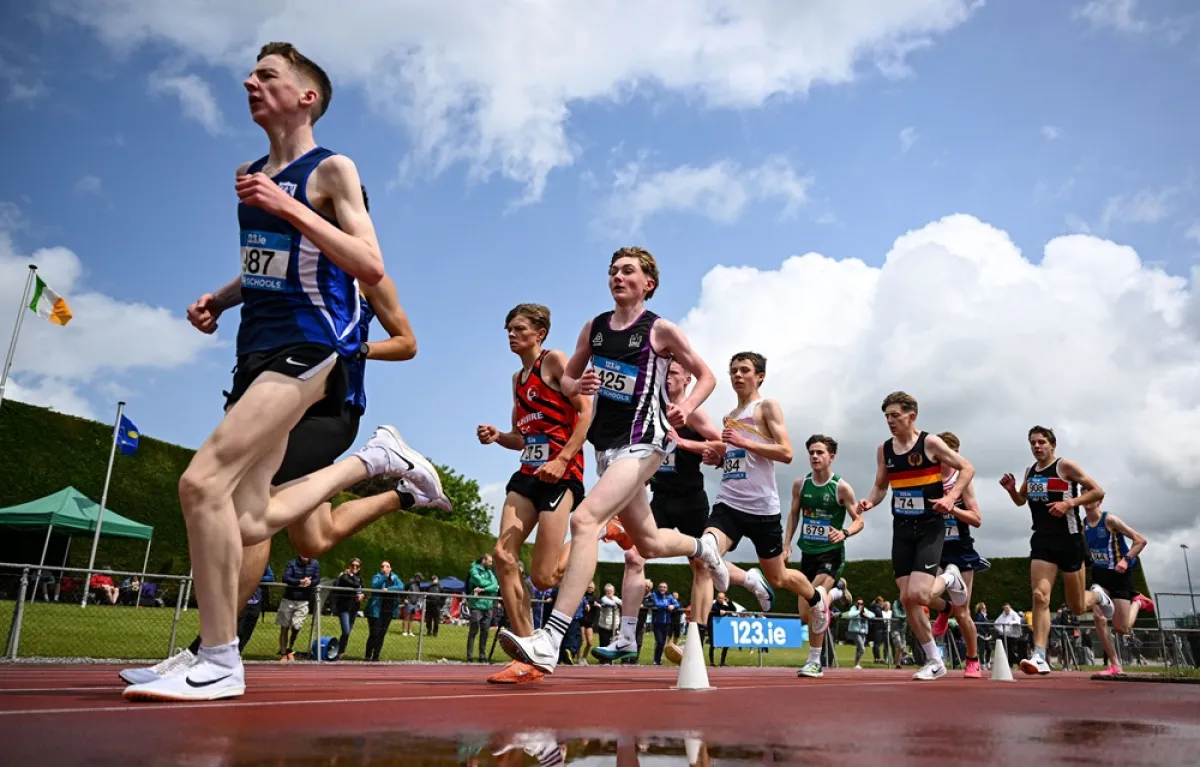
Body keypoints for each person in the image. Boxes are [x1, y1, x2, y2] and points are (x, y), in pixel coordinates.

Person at [122, 42, 445, 702]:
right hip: (255, 350)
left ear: (306, 97)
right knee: (246, 520)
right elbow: (268, 264)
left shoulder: (332, 169)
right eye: (250, 73)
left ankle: (219, 657)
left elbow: (371, 263)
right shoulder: (248, 174)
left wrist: (287, 204)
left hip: (311, 346)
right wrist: (219, 299)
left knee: (200, 482)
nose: (249, 81)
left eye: (266, 74)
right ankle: (375, 463)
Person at [496, 246, 728, 674]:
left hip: (645, 440)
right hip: (607, 448)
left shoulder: (659, 330)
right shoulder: (595, 328)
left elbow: (706, 375)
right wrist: (579, 383)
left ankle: (550, 639)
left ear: (648, 283)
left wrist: (685, 405)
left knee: (585, 520)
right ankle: (704, 547)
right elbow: (568, 381)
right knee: (649, 543)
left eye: (627, 271)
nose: (617, 277)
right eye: (613, 271)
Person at [596, 360, 739, 665]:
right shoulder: (652, 409)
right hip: (659, 499)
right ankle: (627, 636)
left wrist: (686, 443)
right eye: (666, 373)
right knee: (634, 557)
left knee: (703, 565)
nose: (668, 378)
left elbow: (723, 447)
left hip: (690, 500)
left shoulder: (693, 414)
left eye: (674, 373)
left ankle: (696, 637)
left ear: (687, 379)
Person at [477, 304, 592, 684]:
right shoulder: (517, 379)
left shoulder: (554, 361)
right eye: (508, 329)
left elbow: (586, 412)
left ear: (539, 332)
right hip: (527, 475)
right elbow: (521, 437)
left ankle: (594, 532)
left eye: (519, 328)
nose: (511, 335)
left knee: (543, 578)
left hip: (561, 475)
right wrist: (498, 436)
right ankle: (528, 654)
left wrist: (562, 458)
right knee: (502, 556)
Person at [698, 353, 832, 676]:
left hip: (762, 508)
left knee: (779, 578)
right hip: (729, 502)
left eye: (744, 370)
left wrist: (743, 441)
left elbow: (786, 452)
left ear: (759, 376)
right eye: (733, 370)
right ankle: (733, 577)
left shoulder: (767, 407)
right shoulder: (729, 416)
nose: (737, 375)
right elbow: (740, 458)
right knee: (705, 549)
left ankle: (815, 599)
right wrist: (719, 458)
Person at [857, 391, 974, 681]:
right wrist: (871, 501)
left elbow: (967, 468)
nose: (890, 421)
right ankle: (934, 661)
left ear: (911, 416)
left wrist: (951, 498)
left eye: (895, 415)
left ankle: (950, 577)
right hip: (902, 529)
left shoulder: (930, 443)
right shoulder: (884, 449)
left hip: (929, 526)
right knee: (906, 599)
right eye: (887, 416)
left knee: (918, 594)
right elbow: (881, 486)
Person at [999, 425, 1112, 676]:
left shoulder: (1065, 466)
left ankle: (1097, 596)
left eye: (1041, 442)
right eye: (1032, 442)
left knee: (1076, 606)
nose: (1036, 446)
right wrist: (1011, 490)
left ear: (1052, 445)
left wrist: (1069, 503)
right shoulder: (1030, 471)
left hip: (1069, 540)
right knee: (1040, 596)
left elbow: (1098, 490)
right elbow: (1021, 500)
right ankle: (1039, 655)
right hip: (1042, 539)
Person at [782, 434, 862, 677]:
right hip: (808, 554)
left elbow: (859, 520)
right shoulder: (801, 484)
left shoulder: (840, 487)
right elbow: (793, 514)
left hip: (831, 554)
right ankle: (837, 592)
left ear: (831, 457)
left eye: (820, 452)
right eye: (811, 453)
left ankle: (814, 661)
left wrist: (844, 533)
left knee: (816, 601)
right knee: (805, 615)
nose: (815, 456)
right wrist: (787, 544)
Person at [926, 432, 988, 678]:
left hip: (960, 550)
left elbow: (977, 519)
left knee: (963, 613)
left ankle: (972, 660)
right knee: (921, 594)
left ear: (955, 454)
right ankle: (944, 608)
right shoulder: (928, 480)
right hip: (935, 548)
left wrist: (952, 508)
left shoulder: (962, 482)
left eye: (946, 454)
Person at [1083, 501, 1150, 676]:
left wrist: (1125, 560)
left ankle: (1137, 602)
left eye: (1090, 496)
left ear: (1098, 500)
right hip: (1100, 576)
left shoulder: (1110, 520)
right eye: (1083, 495)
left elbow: (1140, 541)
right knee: (1099, 617)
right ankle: (1115, 665)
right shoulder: (1083, 525)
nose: (1086, 500)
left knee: (1122, 628)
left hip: (1120, 575)